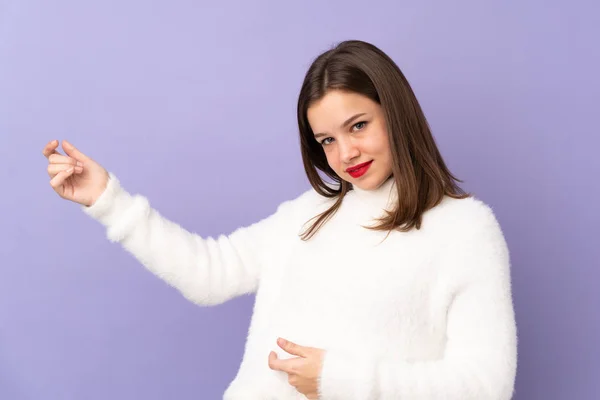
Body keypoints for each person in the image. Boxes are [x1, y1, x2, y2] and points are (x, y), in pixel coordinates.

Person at [42, 40, 517, 399]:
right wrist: (107, 199)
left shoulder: (464, 229)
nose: (345, 153)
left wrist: (344, 380)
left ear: (395, 114)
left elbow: (484, 383)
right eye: (327, 140)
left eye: (358, 125)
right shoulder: (307, 214)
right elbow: (207, 274)